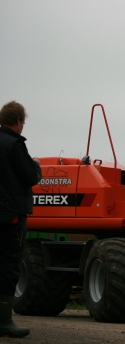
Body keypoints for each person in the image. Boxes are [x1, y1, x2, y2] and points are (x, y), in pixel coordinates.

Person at [0, 101, 41, 338]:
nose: (23, 126)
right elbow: (29, 176)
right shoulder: (14, 145)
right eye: (23, 122)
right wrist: (36, 166)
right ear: (17, 121)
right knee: (7, 264)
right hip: (10, 216)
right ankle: (4, 319)